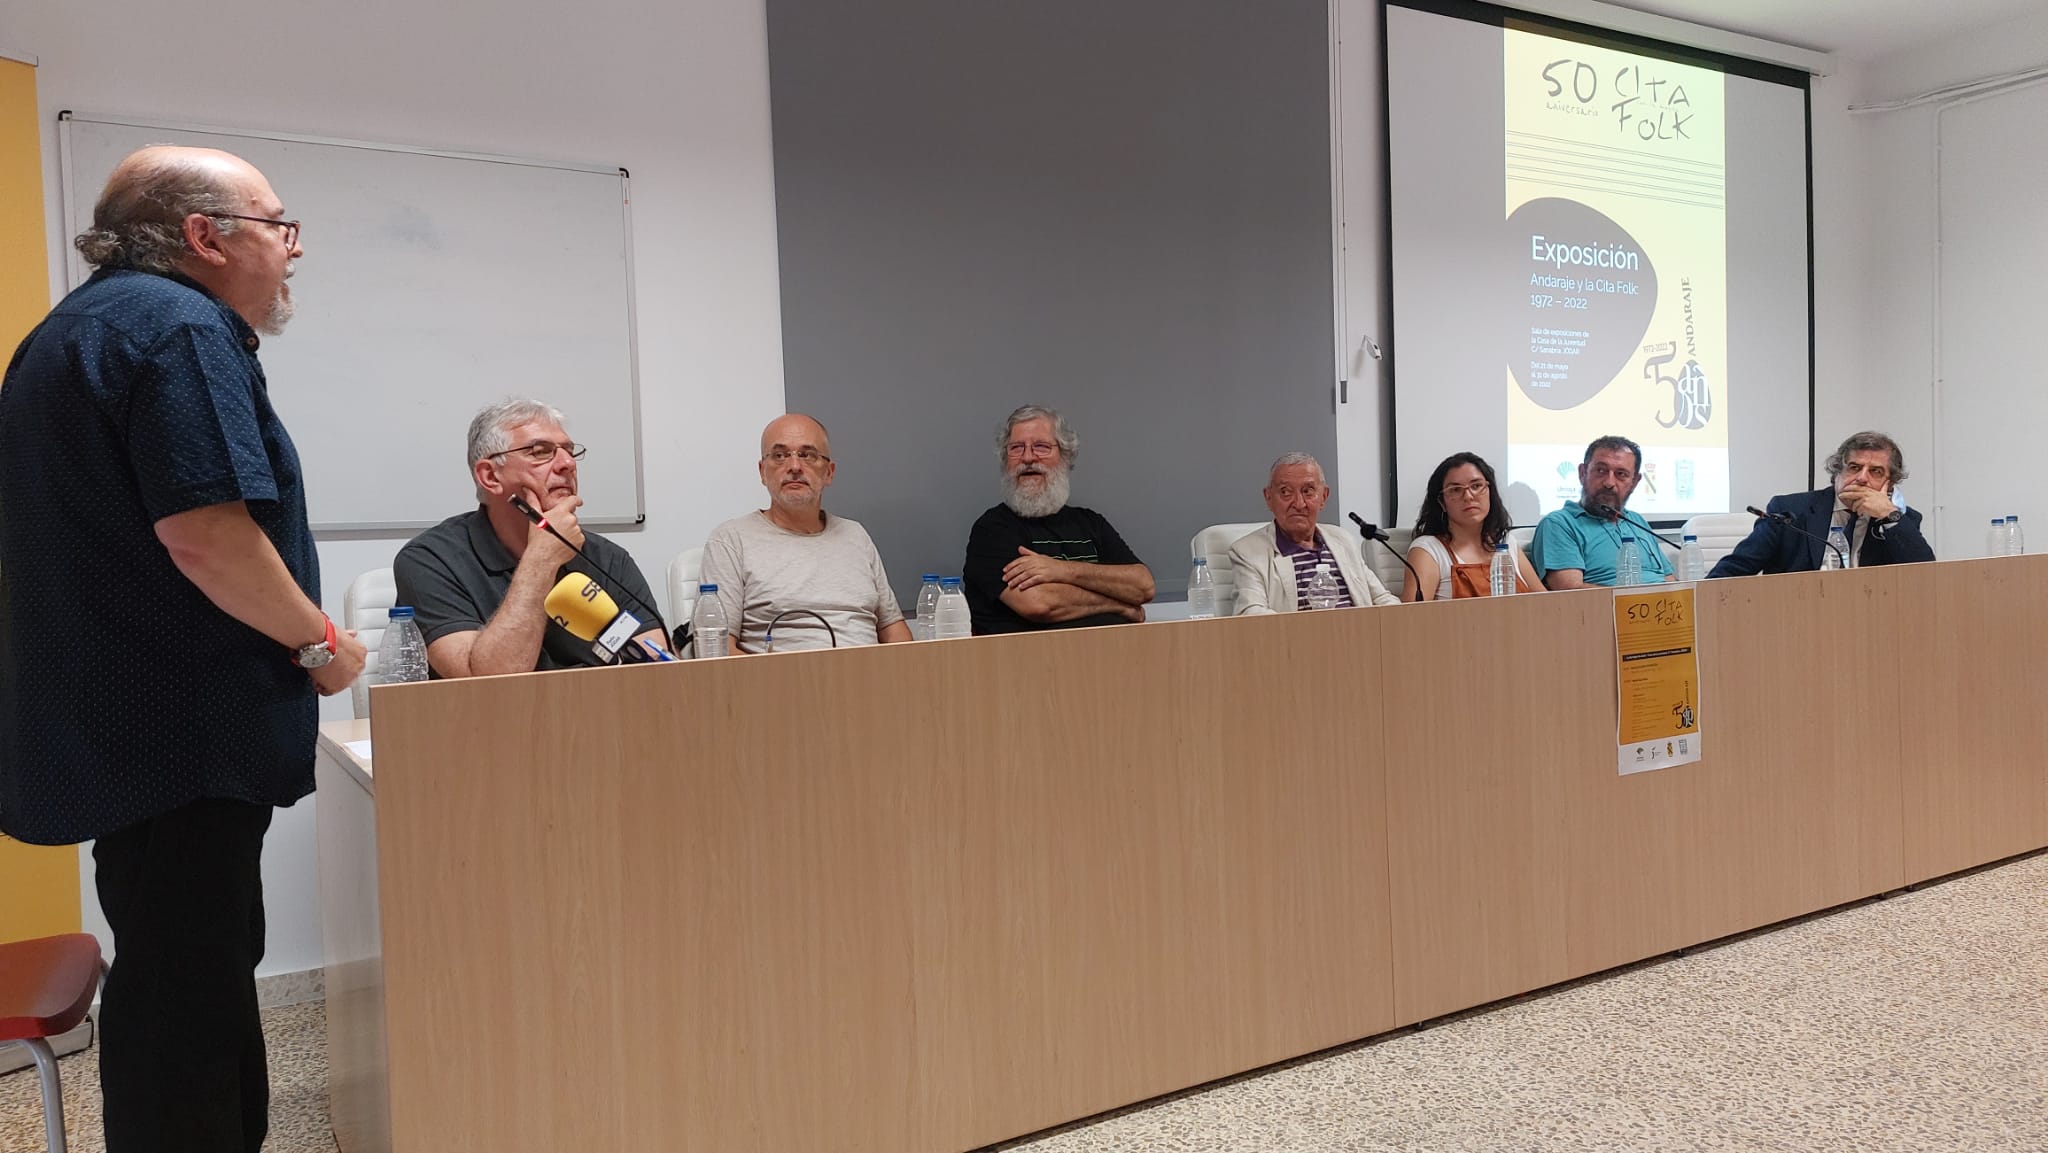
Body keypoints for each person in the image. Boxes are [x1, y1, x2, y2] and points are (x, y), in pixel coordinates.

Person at [0, 146, 366, 1153]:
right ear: (204, 236)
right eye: (279, 225)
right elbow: (205, 534)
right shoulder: (180, 328)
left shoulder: (75, 331)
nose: (294, 249)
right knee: (186, 1007)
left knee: (183, 982)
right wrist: (321, 644)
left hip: (128, 734)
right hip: (182, 739)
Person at [394, 398, 666, 675]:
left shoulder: (607, 558)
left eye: (569, 451)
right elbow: (489, 686)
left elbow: (658, 672)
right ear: (490, 476)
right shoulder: (429, 560)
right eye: (540, 452)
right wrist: (542, 559)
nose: (567, 463)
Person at [699, 414, 911, 651]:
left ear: (829, 472)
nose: (794, 467)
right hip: (781, 675)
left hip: (868, 672)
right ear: (762, 472)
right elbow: (717, 651)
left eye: (807, 455)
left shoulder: (856, 535)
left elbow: (895, 633)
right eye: (779, 456)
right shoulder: (730, 540)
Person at [963, 405, 1154, 633]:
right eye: (1016, 448)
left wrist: (1060, 570)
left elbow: (1143, 586)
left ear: (1065, 456)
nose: (1028, 457)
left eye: (1041, 447)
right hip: (1026, 655)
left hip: (1109, 652)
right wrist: (1119, 605)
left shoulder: (1091, 523)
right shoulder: (992, 530)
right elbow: (1041, 604)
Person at [1709, 431, 1936, 577]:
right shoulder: (1789, 512)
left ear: (1890, 483)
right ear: (1837, 472)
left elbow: (1925, 577)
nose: (1862, 478)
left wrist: (1889, 514)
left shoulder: (1899, 520)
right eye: (1854, 468)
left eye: (1875, 472)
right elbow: (1731, 572)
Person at [1230, 452, 1401, 614]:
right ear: (1269, 498)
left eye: (1307, 491)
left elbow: (1383, 599)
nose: (1299, 503)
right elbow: (1250, 614)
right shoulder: (1247, 552)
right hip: (1295, 636)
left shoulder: (1343, 540)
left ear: (1323, 497)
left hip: (1359, 633)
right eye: (1285, 492)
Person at [1530, 435, 1675, 589]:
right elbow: (1570, 591)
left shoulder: (1636, 521)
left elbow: (1670, 580)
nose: (1609, 483)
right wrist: (1638, 599)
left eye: (1621, 474)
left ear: (1634, 482)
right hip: (1612, 604)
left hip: (1663, 603)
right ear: (1582, 473)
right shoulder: (1560, 524)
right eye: (1601, 470)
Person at [1404, 452, 1541, 600]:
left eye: (1476, 486)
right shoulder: (1428, 549)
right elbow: (1412, 614)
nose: (1468, 496)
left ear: (1490, 492)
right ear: (1442, 503)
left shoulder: (1506, 541)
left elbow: (1546, 602)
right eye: (1455, 490)